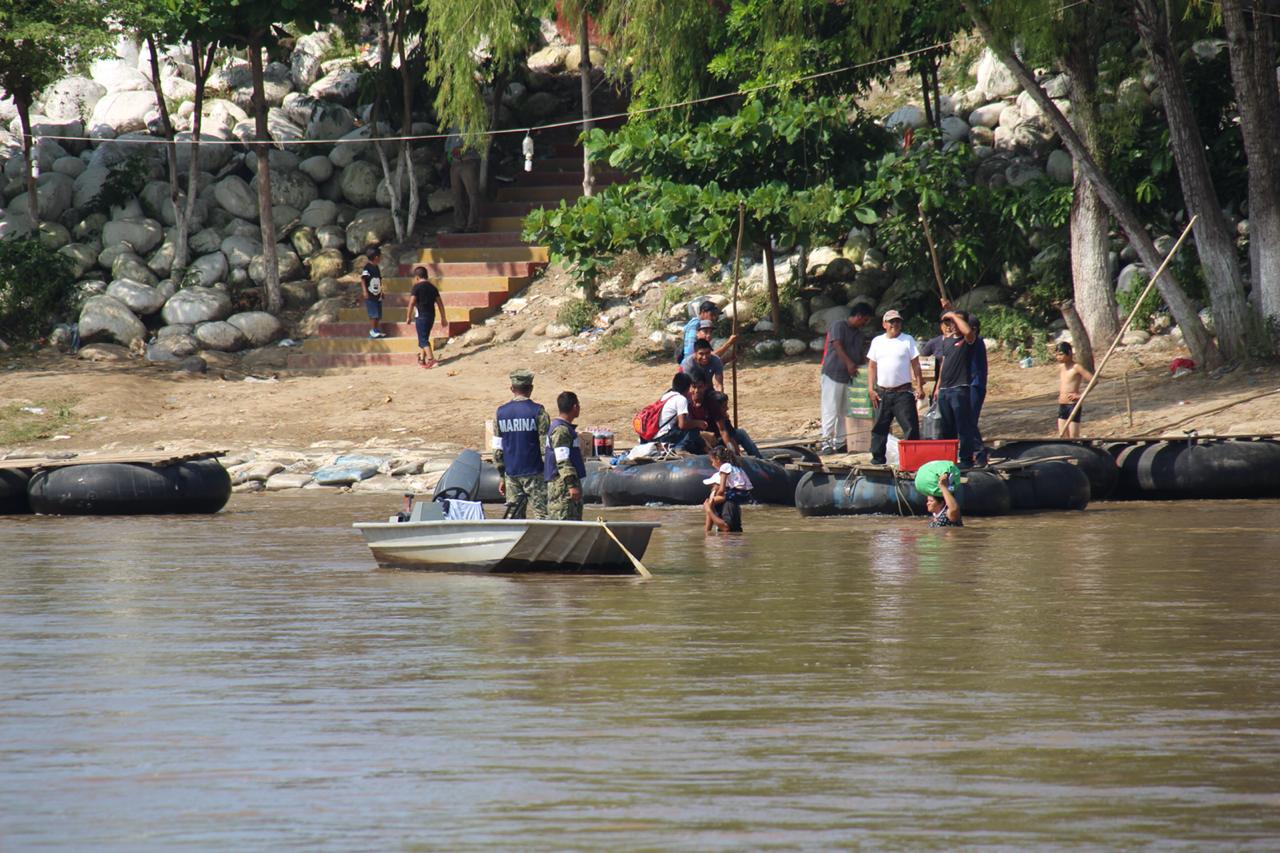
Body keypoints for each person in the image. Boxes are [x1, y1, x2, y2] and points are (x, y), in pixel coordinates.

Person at [866, 309, 925, 465]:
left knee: (910, 427)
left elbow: (916, 365)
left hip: (903, 392)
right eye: (892, 322)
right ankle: (878, 459)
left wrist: (919, 386)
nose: (895, 324)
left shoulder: (907, 340)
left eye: (898, 321)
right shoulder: (877, 341)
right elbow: (872, 366)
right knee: (879, 427)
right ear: (884, 324)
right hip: (883, 392)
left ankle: (913, 460)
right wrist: (870, 389)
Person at [494, 368, 550, 519]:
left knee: (514, 518)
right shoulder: (538, 411)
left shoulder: (500, 413)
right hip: (535, 472)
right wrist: (549, 473)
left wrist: (502, 476)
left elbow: (497, 450)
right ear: (531, 388)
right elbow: (545, 447)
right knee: (543, 516)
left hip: (511, 474)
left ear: (512, 389)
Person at [819, 304, 874, 454]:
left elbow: (860, 354)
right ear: (859, 316)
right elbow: (837, 345)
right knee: (830, 409)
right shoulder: (839, 325)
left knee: (845, 411)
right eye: (865, 320)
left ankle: (841, 441)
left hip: (849, 377)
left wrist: (865, 370)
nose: (865, 324)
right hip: (833, 374)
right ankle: (826, 442)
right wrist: (849, 363)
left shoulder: (858, 333)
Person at [935, 300, 981, 467]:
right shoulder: (946, 340)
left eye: (956, 322)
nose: (952, 324)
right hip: (945, 390)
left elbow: (967, 331)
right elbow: (944, 364)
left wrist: (953, 314)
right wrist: (938, 387)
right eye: (950, 322)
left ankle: (967, 459)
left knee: (963, 426)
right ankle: (948, 460)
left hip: (959, 389)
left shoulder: (968, 339)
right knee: (946, 429)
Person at [544, 391, 586, 520]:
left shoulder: (562, 428)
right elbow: (563, 460)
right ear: (574, 407)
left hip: (563, 484)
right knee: (565, 522)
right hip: (562, 487)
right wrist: (571, 485)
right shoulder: (561, 430)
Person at [653, 372, 708, 453]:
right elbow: (682, 425)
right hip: (664, 436)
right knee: (694, 429)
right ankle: (680, 448)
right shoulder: (681, 399)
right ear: (688, 388)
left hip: (656, 434)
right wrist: (698, 423)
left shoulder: (667, 395)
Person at [703, 445, 752, 533]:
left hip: (737, 491)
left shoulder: (725, 467)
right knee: (710, 503)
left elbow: (721, 489)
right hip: (743, 492)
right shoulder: (735, 467)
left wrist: (710, 507)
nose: (712, 488)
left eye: (713, 485)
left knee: (710, 502)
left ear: (718, 459)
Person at [404, 265, 446, 368]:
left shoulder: (416, 287)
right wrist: (443, 318)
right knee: (424, 337)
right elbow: (440, 303)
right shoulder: (433, 288)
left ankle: (431, 360)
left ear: (417, 277)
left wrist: (408, 316)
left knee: (423, 339)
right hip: (431, 316)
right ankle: (422, 359)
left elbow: (412, 302)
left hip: (421, 316)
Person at [446, 129, 482, 232]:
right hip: (455, 163)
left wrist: (463, 149)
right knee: (457, 195)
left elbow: (478, 143)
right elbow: (448, 146)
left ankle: (473, 225)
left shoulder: (473, 123)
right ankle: (459, 225)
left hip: (469, 161)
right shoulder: (453, 126)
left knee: (472, 194)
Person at [1055, 341, 1095, 438]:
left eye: (1061, 354)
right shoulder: (1061, 367)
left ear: (1069, 353)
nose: (1058, 357)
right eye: (1056, 355)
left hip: (1073, 405)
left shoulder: (1076, 367)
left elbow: (1093, 381)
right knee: (1063, 435)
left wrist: (1080, 396)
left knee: (1073, 436)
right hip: (1062, 405)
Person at [968, 315, 989, 464]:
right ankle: (974, 452)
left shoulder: (976, 341)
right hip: (969, 385)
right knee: (966, 420)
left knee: (969, 420)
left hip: (975, 385)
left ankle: (980, 453)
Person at [360, 247, 386, 339]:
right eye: (380, 256)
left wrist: (381, 291)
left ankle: (376, 330)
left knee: (378, 314)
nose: (381, 258)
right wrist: (364, 291)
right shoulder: (367, 267)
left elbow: (379, 280)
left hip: (377, 295)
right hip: (370, 296)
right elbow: (363, 279)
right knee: (373, 314)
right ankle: (372, 330)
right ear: (376, 257)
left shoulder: (376, 267)